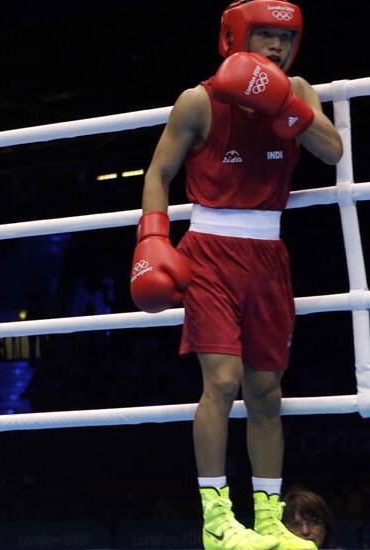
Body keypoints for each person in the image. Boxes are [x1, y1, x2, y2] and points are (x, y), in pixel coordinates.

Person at [130, 1, 342, 549]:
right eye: (265, 35)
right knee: (222, 382)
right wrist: (153, 238)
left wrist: (286, 107)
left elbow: (332, 151)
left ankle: (269, 521)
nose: (276, 46)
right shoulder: (199, 100)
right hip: (210, 252)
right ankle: (216, 520)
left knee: (267, 392)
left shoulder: (299, 88)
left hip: (270, 254)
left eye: (286, 37)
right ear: (237, 38)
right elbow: (159, 172)